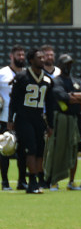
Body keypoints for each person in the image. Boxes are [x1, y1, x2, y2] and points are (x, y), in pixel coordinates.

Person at [7, 47, 56, 194]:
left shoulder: (47, 79)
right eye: (39, 58)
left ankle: (39, 179)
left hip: (39, 118)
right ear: (31, 60)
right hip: (24, 118)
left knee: (40, 150)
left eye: (43, 57)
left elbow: (50, 104)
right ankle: (32, 181)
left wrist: (50, 125)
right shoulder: (22, 77)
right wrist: (11, 120)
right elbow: (13, 101)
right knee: (31, 149)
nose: (43, 60)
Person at [46, 53, 81, 190]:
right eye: (66, 64)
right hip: (61, 119)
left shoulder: (76, 81)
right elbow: (60, 95)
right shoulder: (56, 80)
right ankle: (53, 181)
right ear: (60, 65)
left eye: (70, 64)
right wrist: (75, 98)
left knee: (74, 149)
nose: (68, 66)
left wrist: (73, 96)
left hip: (75, 119)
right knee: (58, 150)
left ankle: (71, 181)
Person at [0, 44, 27, 190]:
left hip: (22, 117)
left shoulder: (27, 73)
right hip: (4, 117)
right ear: (11, 56)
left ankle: (21, 181)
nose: (21, 58)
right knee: (5, 150)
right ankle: (5, 182)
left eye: (23, 55)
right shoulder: (3, 73)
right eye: (18, 55)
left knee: (22, 151)